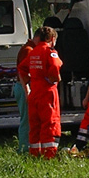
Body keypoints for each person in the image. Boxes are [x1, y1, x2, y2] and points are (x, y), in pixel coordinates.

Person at [18, 26, 62, 159]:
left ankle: (34, 154)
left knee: (35, 126)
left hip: (34, 93)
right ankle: (49, 156)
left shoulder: (33, 52)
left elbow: (22, 69)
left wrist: (28, 86)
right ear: (52, 39)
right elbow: (55, 67)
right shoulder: (50, 52)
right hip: (47, 93)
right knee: (49, 124)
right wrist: (55, 78)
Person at [13, 30, 41, 154]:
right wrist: (27, 91)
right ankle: (24, 149)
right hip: (24, 87)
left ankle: (26, 147)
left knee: (27, 119)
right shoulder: (29, 50)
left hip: (22, 86)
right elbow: (23, 72)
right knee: (27, 120)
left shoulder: (27, 48)